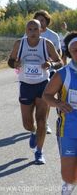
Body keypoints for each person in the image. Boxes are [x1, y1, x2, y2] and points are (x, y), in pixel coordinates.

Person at [8, 19, 62, 164]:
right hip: (26, 85)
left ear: (41, 31)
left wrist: (50, 63)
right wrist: (15, 63)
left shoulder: (46, 44)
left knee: (41, 120)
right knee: (27, 123)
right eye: (30, 29)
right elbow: (10, 61)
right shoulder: (20, 44)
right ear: (26, 31)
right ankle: (33, 132)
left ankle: (39, 152)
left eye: (35, 29)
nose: (32, 32)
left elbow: (60, 62)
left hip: (43, 85)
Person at [43, 31, 77, 195]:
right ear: (70, 53)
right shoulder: (63, 74)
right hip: (68, 130)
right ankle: (69, 187)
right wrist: (58, 103)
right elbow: (46, 95)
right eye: (76, 50)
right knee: (68, 175)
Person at [33, 10, 62, 135]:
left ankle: (44, 123)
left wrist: (51, 62)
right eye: (37, 20)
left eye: (42, 20)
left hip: (48, 71)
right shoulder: (29, 34)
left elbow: (59, 54)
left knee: (45, 99)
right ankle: (35, 123)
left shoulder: (53, 35)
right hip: (32, 73)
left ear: (47, 22)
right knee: (34, 100)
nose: (39, 22)